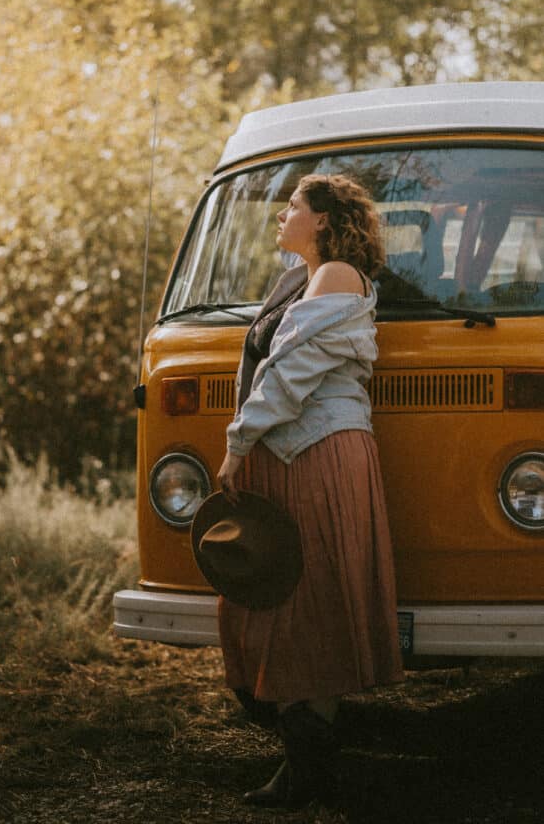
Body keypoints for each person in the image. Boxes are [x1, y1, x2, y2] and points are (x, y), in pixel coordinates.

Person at [215, 172, 404, 809]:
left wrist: (238, 442)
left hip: (317, 451)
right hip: (298, 452)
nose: (281, 214)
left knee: (307, 602)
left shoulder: (338, 276)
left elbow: (290, 370)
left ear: (323, 220)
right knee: (291, 599)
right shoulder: (302, 279)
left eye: (293, 206)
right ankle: (307, 764)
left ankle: (309, 770)